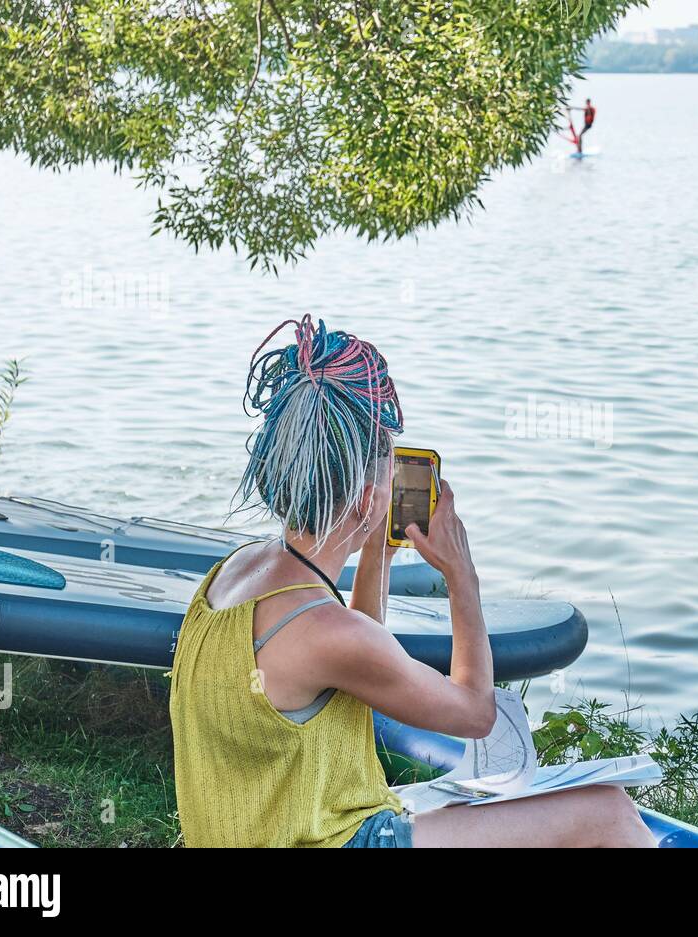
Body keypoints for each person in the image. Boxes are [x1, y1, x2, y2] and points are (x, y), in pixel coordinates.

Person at [169, 316, 655, 848]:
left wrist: (377, 541)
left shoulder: (236, 572)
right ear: (364, 496)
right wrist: (462, 578)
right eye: (385, 469)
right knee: (607, 812)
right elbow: (474, 712)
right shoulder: (326, 632)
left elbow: (356, 645)